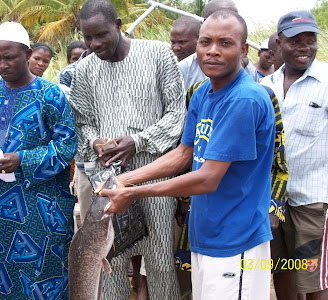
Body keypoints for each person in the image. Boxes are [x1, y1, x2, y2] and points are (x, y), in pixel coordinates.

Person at [99, 9, 275, 299]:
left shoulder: (244, 99)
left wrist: (133, 193)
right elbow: (183, 153)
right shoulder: (203, 92)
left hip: (237, 240)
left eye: (225, 43)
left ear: (244, 50)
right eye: (205, 42)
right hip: (206, 233)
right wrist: (124, 180)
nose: (213, 51)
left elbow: (207, 179)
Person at [69, 1, 186, 299]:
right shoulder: (83, 70)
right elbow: (83, 123)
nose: (95, 44)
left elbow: (177, 113)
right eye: (88, 37)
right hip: (106, 179)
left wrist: (139, 141)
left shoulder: (158, 54)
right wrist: (95, 142)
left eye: (102, 35)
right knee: (111, 260)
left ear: (119, 25)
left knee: (159, 260)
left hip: (155, 173)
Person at [0, 22, 78, 299]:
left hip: (40, 206)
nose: (2, 64)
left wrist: (23, 159)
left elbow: (66, 145)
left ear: (27, 53)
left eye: (10, 57)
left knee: (40, 274)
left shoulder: (49, 94)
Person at [260, 10, 328, 299]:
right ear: (278, 43)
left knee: (313, 279)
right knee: (281, 267)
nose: (304, 47)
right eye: (295, 40)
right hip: (273, 198)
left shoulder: (325, 81)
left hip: (312, 199)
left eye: (310, 40)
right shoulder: (264, 87)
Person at [178, 0, 237, 91]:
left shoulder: (249, 70)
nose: (227, 22)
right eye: (219, 17)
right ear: (205, 21)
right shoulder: (184, 69)